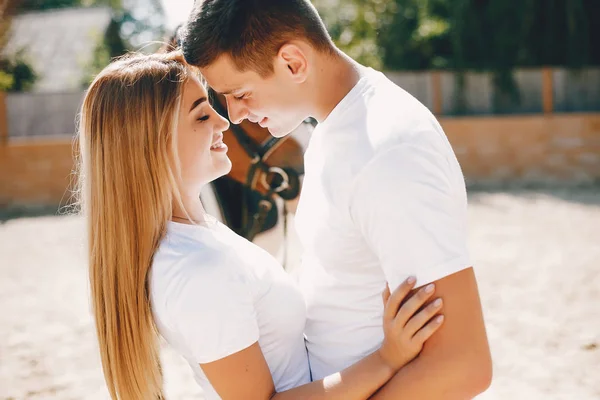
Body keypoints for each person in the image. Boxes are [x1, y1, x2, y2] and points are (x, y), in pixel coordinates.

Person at [78, 51, 445, 400]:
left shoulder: (199, 236)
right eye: (202, 116)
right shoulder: (196, 270)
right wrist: (387, 358)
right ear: (152, 144)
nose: (225, 122)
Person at [181, 0, 493, 398]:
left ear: (293, 62)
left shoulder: (389, 152)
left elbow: (463, 365)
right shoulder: (336, 127)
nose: (235, 115)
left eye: (240, 93)